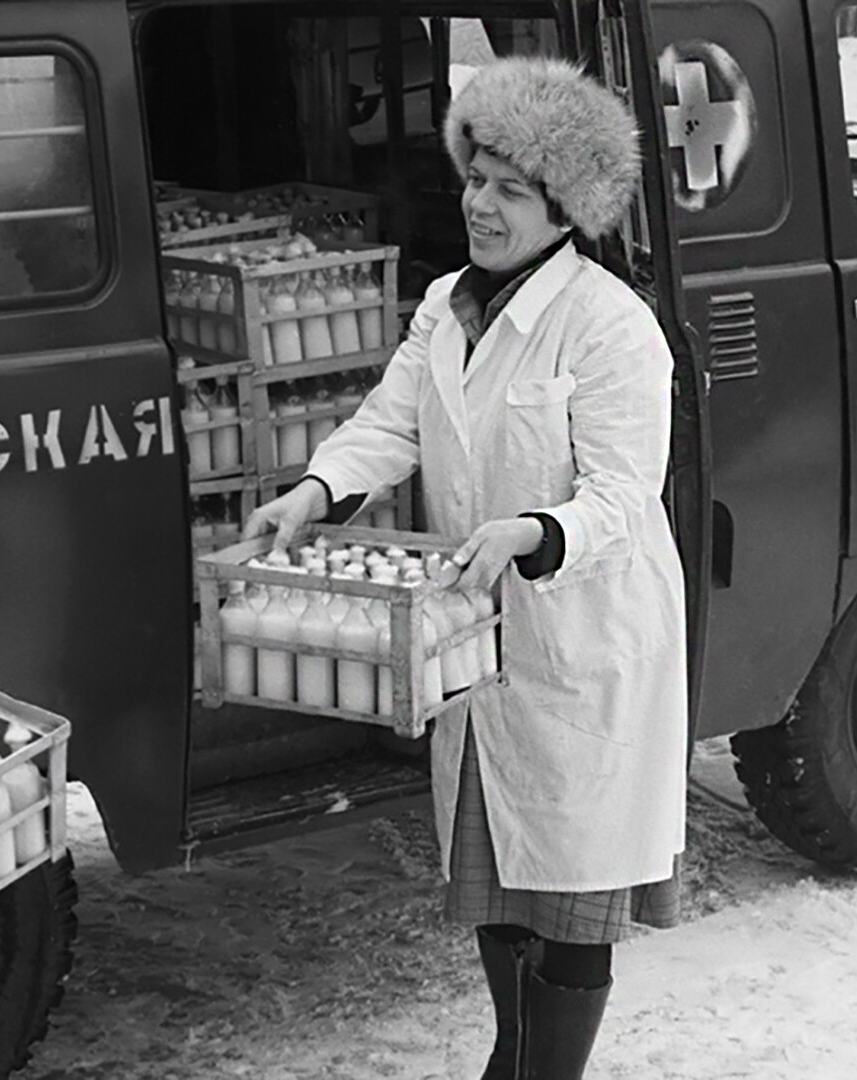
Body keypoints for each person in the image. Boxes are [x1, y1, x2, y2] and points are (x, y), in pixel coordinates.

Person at [244, 58, 688, 1079]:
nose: (480, 204)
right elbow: (387, 425)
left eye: (511, 189)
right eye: (475, 178)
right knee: (495, 875)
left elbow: (624, 496)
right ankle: (514, 1055)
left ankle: (541, 1071)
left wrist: (531, 531)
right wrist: (313, 493)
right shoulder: (446, 305)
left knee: (571, 894)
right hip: (475, 643)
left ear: (566, 209)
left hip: (583, 638)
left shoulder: (612, 325)